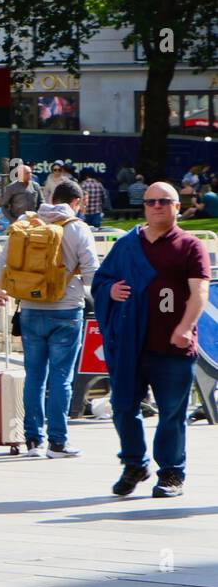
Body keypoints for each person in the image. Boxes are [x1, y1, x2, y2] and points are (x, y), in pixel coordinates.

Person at [91, 183, 209, 498]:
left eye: (164, 201)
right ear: (144, 207)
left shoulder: (190, 245)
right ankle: (134, 464)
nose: (156, 206)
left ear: (177, 207)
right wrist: (110, 290)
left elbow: (200, 291)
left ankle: (171, 473)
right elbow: (102, 280)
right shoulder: (128, 244)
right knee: (122, 406)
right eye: (150, 201)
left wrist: (186, 327)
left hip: (173, 348)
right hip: (132, 345)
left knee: (172, 412)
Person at [0, 179, 99, 458]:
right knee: (61, 379)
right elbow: (91, 272)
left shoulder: (29, 224)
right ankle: (58, 442)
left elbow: (3, 264)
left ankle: (33, 441)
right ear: (76, 203)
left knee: (34, 377)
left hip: (29, 309)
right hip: (66, 310)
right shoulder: (77, 228)